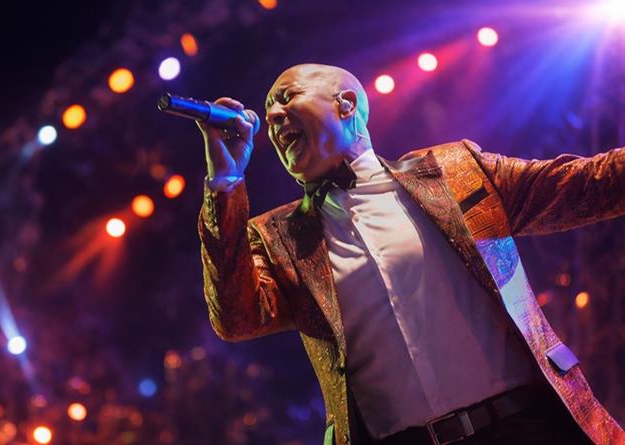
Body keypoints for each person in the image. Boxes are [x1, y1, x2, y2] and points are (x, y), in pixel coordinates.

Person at [196, 63, 625, 445]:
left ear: (346, 104)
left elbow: (588, 185)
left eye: (287, 97)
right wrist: (225, 184)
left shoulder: (456, 172)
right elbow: (237, 319)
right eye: (269, 109)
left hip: (523, 427)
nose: (272, 117)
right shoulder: (278, 236)